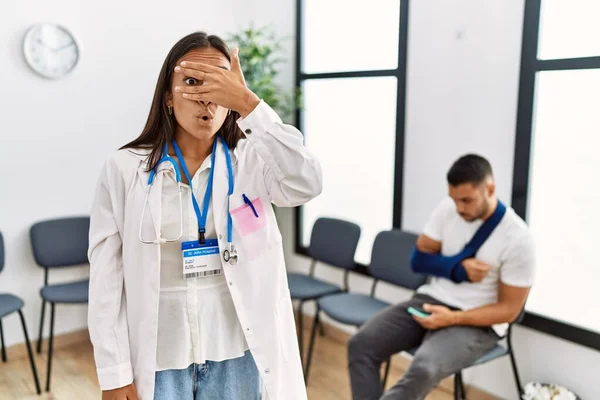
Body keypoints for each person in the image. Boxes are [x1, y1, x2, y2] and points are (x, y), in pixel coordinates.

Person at [87, 32, 322, 400]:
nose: (206, 98)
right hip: (160, 360)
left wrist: (248, 103)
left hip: (237, 353)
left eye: (219, 84)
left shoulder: (252, 161)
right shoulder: (124, 169)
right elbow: (106, 278)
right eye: (192, 82)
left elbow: (306, 182)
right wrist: (114, 374)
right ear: (167, 95)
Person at [348, 154, 535, 400]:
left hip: (477, 321)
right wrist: (457, 268)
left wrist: (452, 318)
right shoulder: (448, 209)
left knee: (424, 368)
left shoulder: (518, 239)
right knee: (361, 344)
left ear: (490, 189)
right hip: (431, 300)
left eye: (467, 200)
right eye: (454, 199)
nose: (459, 208)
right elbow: (419, 261)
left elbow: (509, 311)